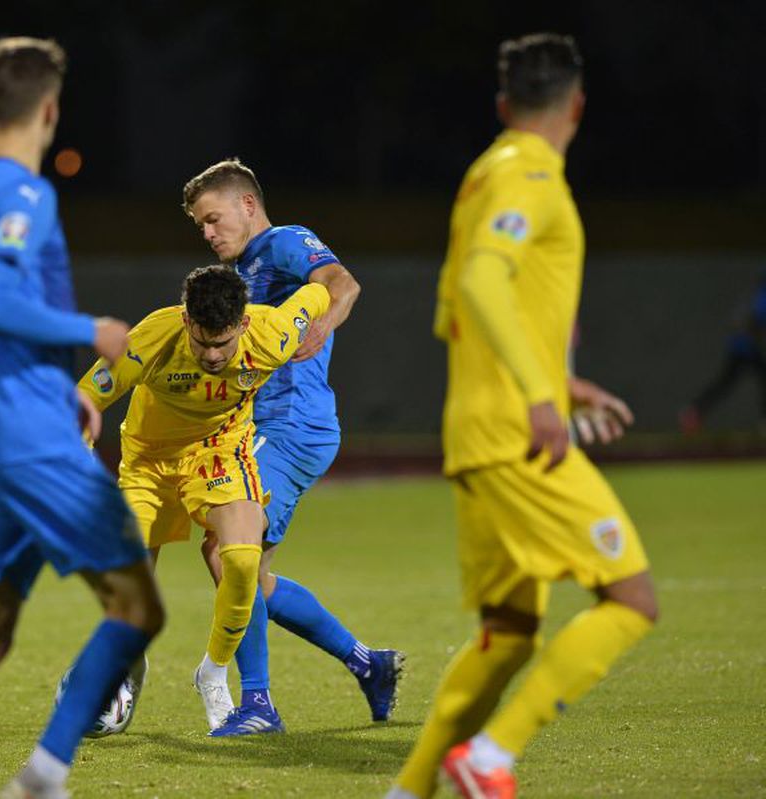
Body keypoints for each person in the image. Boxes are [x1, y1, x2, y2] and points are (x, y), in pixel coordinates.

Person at [386, 34, 658, 799]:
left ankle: (407, 791)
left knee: (506, 635)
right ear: (576, 105)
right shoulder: (535, 175)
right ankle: (491, 754)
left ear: (504, 106)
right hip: (517, 434)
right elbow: (480, 283)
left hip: (475, 430)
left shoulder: (479, 179)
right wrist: (543, 400)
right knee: (631, 598)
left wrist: (565, 387)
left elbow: (458, 315)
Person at [0, 37, 165, 799]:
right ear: (50, 110)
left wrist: (9, 377)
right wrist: (94, 334)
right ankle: (44, 773)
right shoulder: (23, 193)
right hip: (31, 438)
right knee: (138, 606)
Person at [180, 159, 402, 735]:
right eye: (200, 225)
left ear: (247, 204)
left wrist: (324, 324)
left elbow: (342, 282)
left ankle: (257, 705)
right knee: (247, 571)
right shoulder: (246, 271)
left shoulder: (281, 243)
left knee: (230, 551)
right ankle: (368, 664)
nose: (207, 233)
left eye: (213, 218)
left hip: (290, 425)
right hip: (266, 428)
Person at [79, 264, 330, 734]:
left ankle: (213, 671)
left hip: (221, 451)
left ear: (243, 324)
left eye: (223, 343)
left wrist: (324, 322)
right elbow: (86, 399)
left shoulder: (273, 331)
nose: (214, 355)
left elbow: (322, 290)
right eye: (203, 342)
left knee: (240, 559)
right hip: (149, 462)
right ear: (187, 321)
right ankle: (129, 665)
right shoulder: (152, 337)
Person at [679, 272, 766, 433]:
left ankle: (695, 411)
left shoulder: (759, 291)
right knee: (725, 383)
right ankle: (694, 412)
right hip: (744, 347)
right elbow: (755, 320)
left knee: (727, 383)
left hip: (748, 347)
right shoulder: (762, 293)